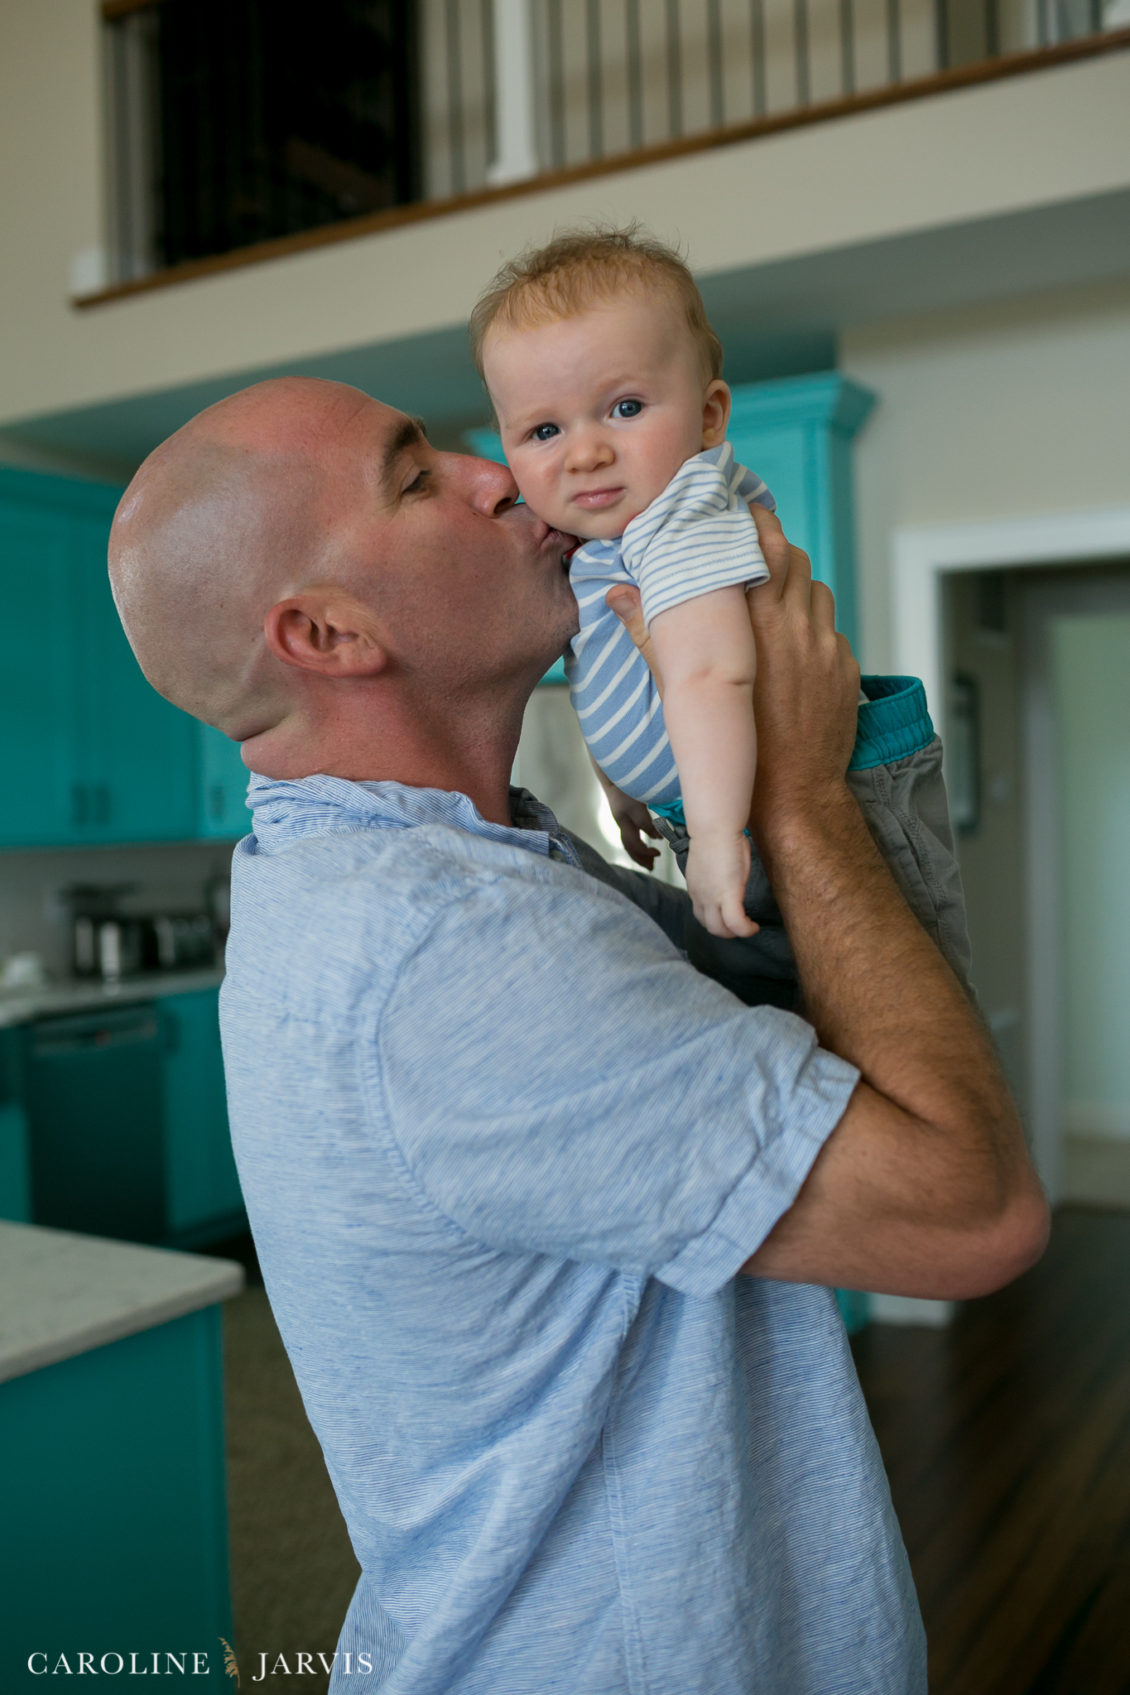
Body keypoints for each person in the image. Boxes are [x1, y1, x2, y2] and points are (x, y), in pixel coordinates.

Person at [108, 375, 1048, 1695]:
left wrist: (721, 764)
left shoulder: (432, 858)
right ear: (326, 630)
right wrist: (791, 784)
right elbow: (972, 1206)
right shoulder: (453, 950)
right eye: (417, 475)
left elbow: (807, 1032)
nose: (499, 470)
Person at [474, 225, 772, 940]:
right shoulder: (596, 543)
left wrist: (719, 833)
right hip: (715, 803)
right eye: (544, 431)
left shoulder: (680, 512)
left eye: (626, 408)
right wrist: (619, 782)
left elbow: (708, 674)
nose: (586, 452)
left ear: (708, 417)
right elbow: (600, 659)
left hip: (756, 810)